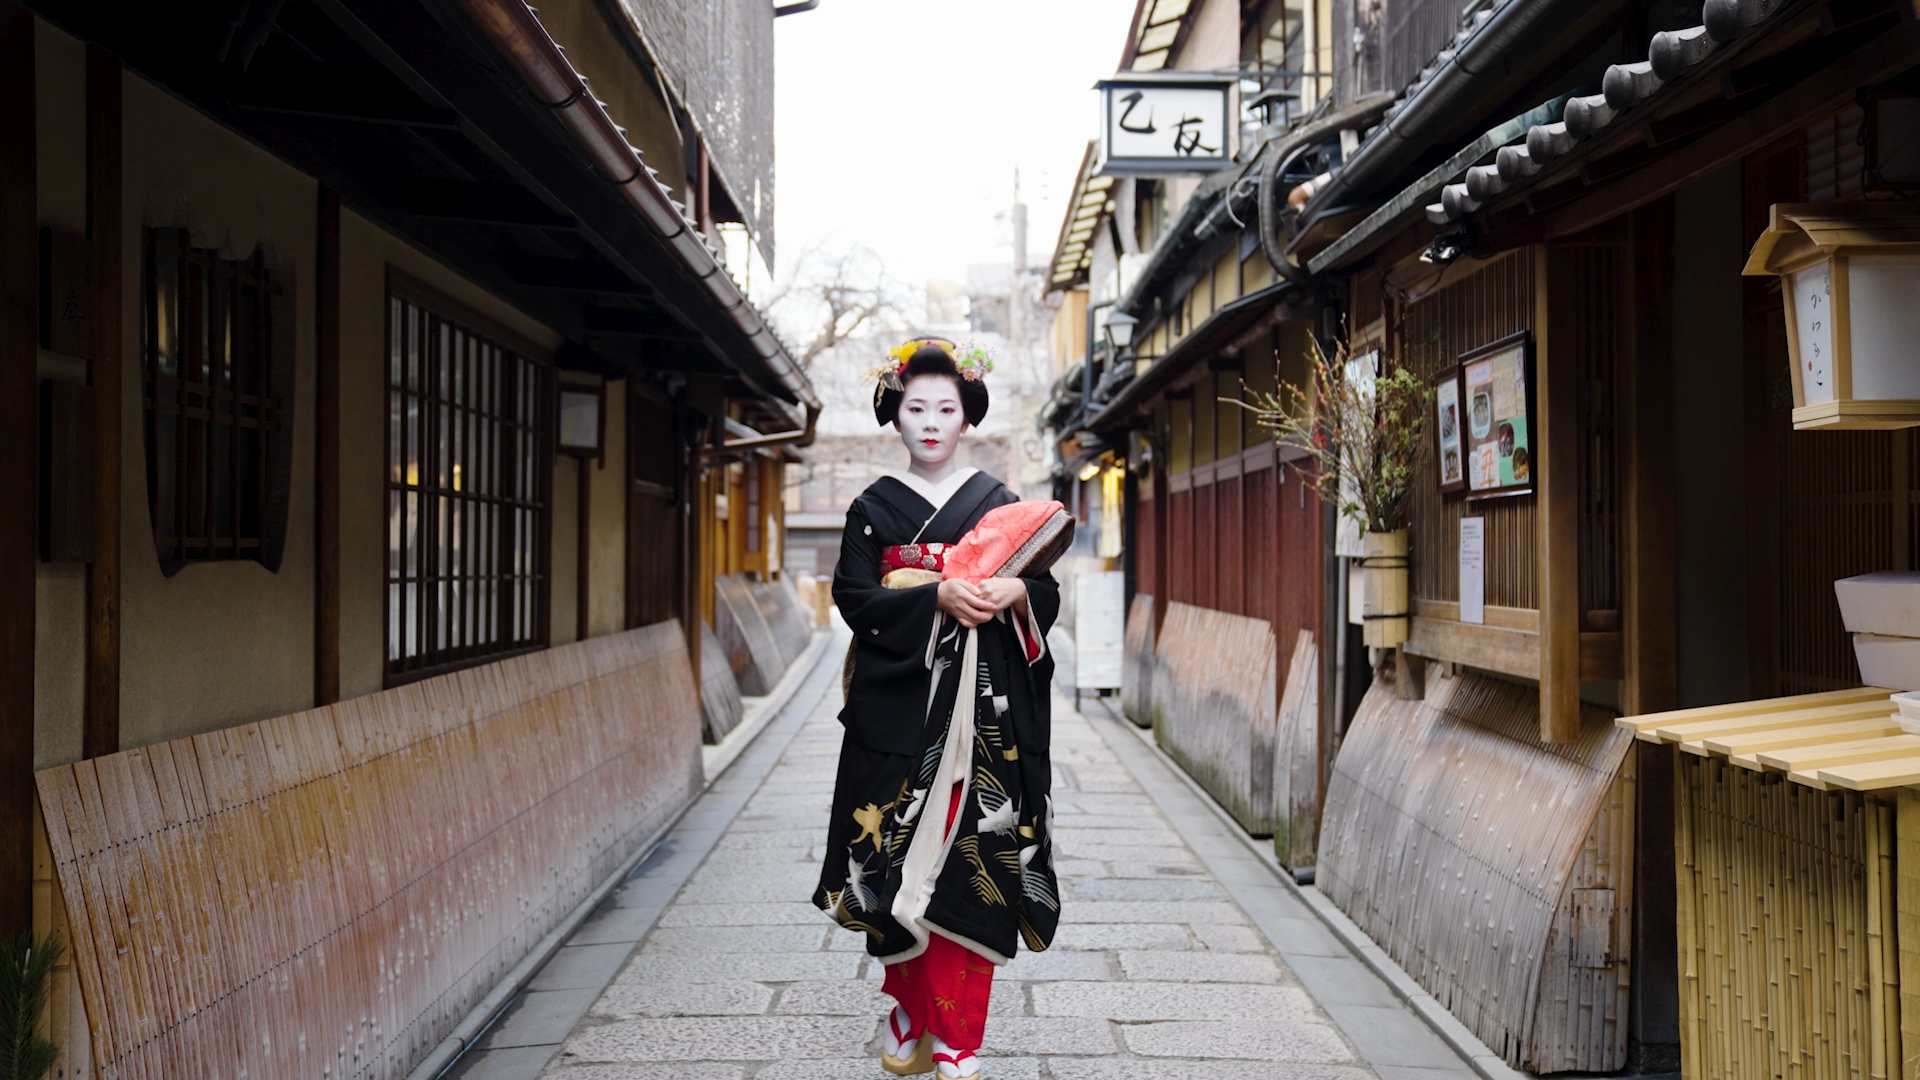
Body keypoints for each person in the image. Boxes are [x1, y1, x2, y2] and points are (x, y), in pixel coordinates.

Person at [814, 338, 1062, 1079]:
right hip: (896, 716)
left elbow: (1045, 592)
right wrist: (934, 596)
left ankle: (961, 1037)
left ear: (966, 418)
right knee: (887, 863)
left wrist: (1019, 592)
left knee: (971, 866)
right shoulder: (872, 508)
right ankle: (906, 1007)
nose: (930, 421)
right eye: (916, 407)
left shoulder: (999, 503)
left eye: (945, 409)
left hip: (980, 722)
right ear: (895, 414)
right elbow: (854, 599)